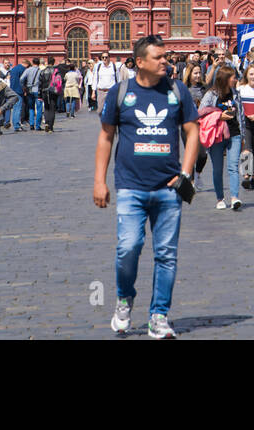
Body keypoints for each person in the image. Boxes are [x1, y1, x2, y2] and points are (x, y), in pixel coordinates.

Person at [94, 35, 199, 339]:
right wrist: (100, 181)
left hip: (169, 190)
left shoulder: (177, 90)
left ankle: (159, 315)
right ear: (139, 62)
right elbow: (105, 137)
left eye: (166, 56)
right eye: (158, 57)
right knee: (129, 247)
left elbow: (193, 133)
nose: (165, 61)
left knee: (166, 254)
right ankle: (124, 299)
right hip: (130, 187)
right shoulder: (121, 92)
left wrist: (185, 174)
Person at [198, 65, 244, 210]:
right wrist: (219, 116)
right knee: (217, 169)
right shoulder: (211, 94)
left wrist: (243, 136)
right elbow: (200, 113)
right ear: (225, 79)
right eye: (233, 77)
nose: (236, 80)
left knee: (233, 167)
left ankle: (235, 197)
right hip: (216, 135)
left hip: (234, 133)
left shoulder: (235, 93)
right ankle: (220, 198)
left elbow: (240, 115)